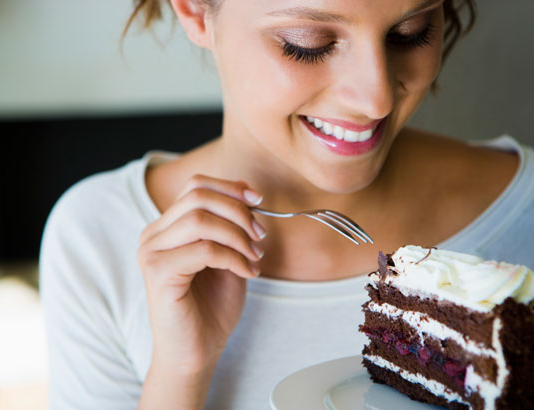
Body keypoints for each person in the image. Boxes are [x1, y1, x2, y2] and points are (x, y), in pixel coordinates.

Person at [39, 0, 534, 409]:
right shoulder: (97, 236)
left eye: (410, 32)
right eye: (307, 44)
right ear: (194, 11)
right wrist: (179, 371)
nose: (375, 98)